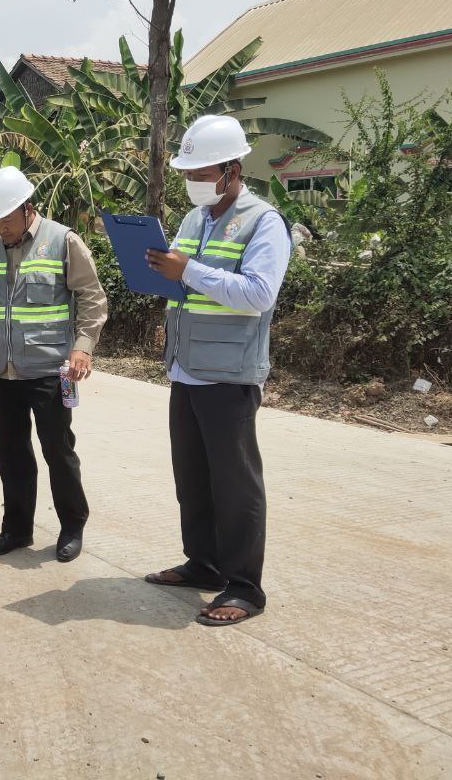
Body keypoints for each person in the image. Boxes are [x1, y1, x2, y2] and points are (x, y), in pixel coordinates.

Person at [142, 114, 291, 627]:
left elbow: (257, 294)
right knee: (194, 478)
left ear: (231, 169)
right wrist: (161, 273)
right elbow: (183, 281)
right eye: (189, 173)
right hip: (186, 368)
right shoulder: (193, 220)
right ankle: (202, 563)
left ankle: (245, 586)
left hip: (229, 375)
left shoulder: (264, 222)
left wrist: (188, 271)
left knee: (236, 485)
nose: (193, 182)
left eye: (202, 172)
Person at [0, 166, 107, 562]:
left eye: (6, 219)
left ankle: (72, 525)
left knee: (58, 450)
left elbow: (92, 297)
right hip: (4, 373)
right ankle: (16, 530)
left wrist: (83, 347)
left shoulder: (63, 240)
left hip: (50, 371)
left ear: (27, 208)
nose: (1, 227)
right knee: (11, 453)